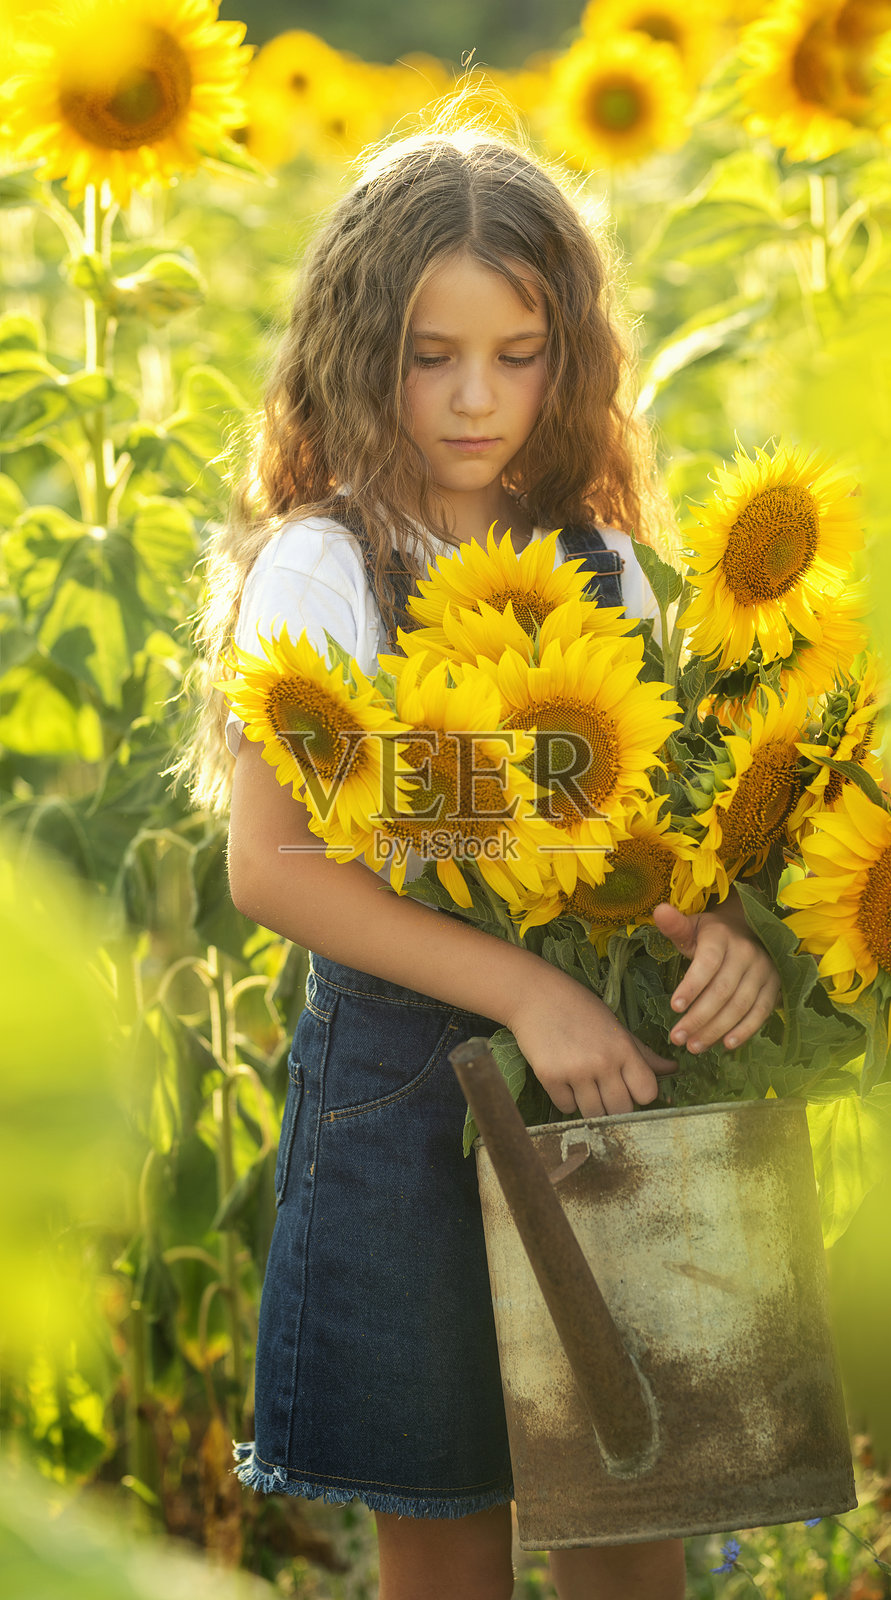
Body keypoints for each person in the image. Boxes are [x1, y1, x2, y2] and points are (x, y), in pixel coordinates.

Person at [182, 118, 781, 1600]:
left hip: (610, 1095)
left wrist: (713, 934)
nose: (475, 399)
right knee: (443, 1528)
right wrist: (524, 990)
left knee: (632, 1509)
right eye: (430, 354)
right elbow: (277, 868)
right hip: (402, 1104)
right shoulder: (328, 567)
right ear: (356, 348)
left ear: (567, 359)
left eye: (517, 354)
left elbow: (645, 845)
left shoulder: (605, 565)